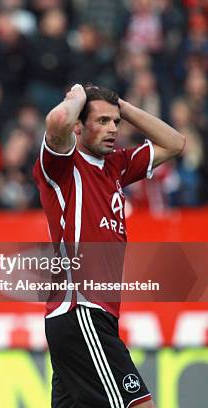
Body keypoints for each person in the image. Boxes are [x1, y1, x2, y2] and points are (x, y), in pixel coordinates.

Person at [33, 84, 185, 408]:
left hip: (88, 319)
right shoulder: (64, 164)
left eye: (116, 122)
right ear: (79, 125)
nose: (113, 129)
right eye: (101, 121)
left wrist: (123, 107)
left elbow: (175, 143)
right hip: (82, 311)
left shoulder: (117, 165)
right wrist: (77, 96)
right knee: (138, 404)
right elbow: (57, 120)